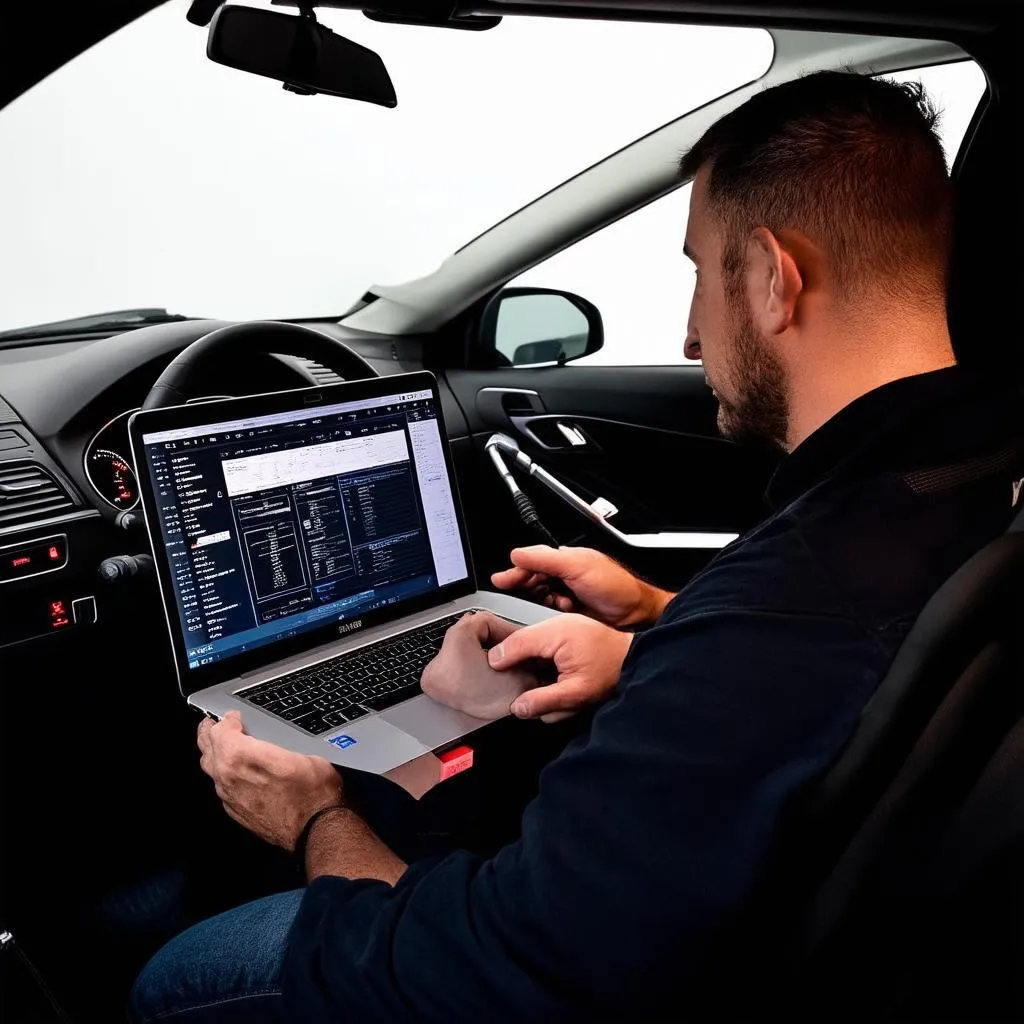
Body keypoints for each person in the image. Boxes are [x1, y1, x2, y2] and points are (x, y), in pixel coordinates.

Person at [129, 71, 1024, 1023]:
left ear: (772, 276)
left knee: (173, 973)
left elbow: (516, 970)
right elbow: (854, 664)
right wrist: (655, 629)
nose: (689, 338)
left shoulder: (791, 596)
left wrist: (314, 819)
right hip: (851, 906)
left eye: (697, 269)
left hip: (604, 976)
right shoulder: (968, 469)